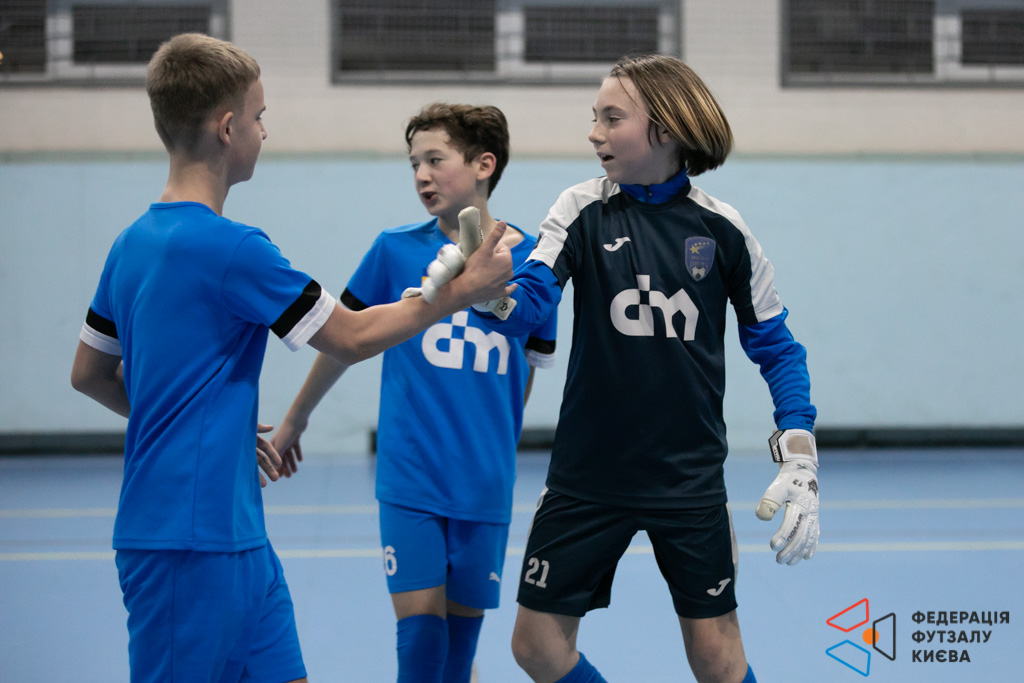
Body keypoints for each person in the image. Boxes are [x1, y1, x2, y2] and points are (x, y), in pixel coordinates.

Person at [69, 34, 513, 683]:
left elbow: (88, 374)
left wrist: (191, 420)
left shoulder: (129, 243)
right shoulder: (235, 248)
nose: (265, 131)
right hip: (183, 539)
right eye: (259, 116)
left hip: (241, 536)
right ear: (227, 129)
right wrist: (460, 292)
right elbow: (351, 336)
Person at [471, 54, 820, 683]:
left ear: (665, 127)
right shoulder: (580, 207)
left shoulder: (724, 230)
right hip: (587, 475)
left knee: (716, 659)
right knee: (536, 646)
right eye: (595, 117)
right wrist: (490, 296)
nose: (594, 133)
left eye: (612, 118)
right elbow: (532, 301)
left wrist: (799, 453)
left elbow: (776, 346)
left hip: (687, 479)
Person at [270, 102, 558, 683]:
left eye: (435, 160)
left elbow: (526, 368)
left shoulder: (534, 262)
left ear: (483, 164)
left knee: (457, 654)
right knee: (422, 641)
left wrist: (494, 439)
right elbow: (343, 342)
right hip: (411, 474)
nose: (422, 175)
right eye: (414, 164)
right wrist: (296, 418)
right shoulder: (393, 250)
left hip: (483, 481)